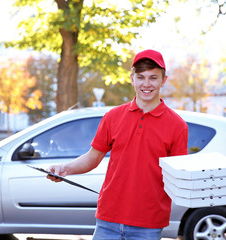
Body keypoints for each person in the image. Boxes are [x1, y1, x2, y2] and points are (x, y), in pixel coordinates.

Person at [47, 49, 188, 240]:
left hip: (148, 225)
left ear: (164, 80)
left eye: (153, 78)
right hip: (108, 221)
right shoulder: (112, 117)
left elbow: (178, 175)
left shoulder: (177, 126)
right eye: (141, 77)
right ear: (132, 79)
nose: (146, 84)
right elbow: (92, 157)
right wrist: (65, 169)